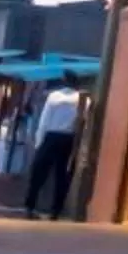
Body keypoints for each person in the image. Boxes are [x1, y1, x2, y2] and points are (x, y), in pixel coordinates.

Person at [22, 77, 88, 220]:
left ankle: (30, 206)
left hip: (51, 137)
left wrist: (39, 143)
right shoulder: (83, 100)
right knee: (62, 176)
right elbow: (84, 123)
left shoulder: (54, 97)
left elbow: (44, 121)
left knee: (39, 173)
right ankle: (55, 211)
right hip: (69, 139)